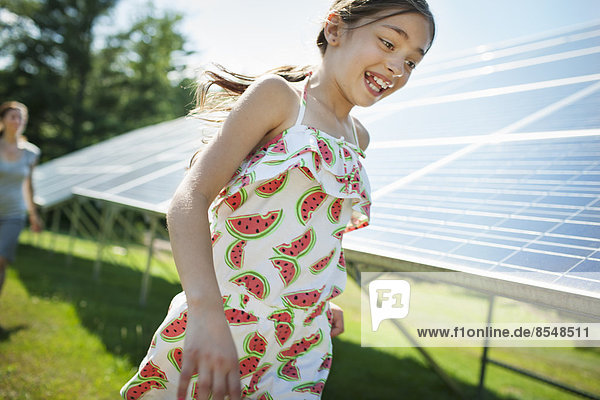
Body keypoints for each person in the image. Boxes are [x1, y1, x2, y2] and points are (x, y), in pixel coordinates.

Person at [121, 0, 435, 398]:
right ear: (335, 30)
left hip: (302, 339)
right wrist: (205, 312)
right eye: (389, 44)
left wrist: (313, 297)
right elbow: (191, 196)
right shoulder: (280, 99)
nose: (397, 68)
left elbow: (317, 230)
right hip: (223, 319)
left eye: (412, 62)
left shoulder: (360, 138)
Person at [0, 101, 42, 297]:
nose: (17, 121)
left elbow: (28, 185)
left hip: (14, 213)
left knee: (1, 260)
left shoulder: (31, 153)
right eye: (13, 117)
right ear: (3, 120)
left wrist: (33, 215)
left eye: (21, 118)